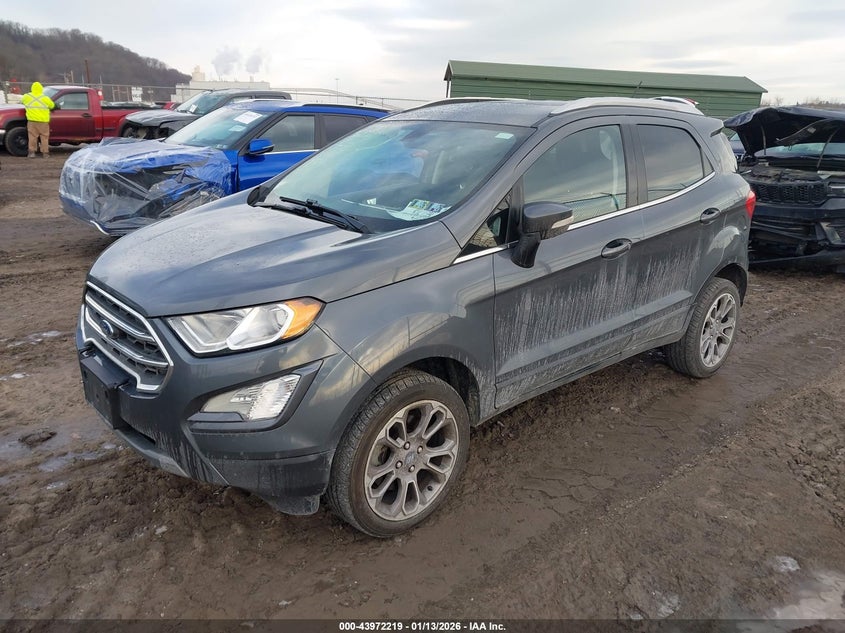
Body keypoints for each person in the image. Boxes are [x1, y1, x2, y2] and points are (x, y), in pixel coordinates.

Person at [21, 82, 55, 158]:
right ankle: (45, 153)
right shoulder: (45, 98)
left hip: (32, 121)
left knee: (32, 137)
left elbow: (22, 101)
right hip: (43, 121)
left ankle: (31, 153)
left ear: (32, 88)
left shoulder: (27, 96)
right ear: (41, 89)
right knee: (44, 137)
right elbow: (52, 106)